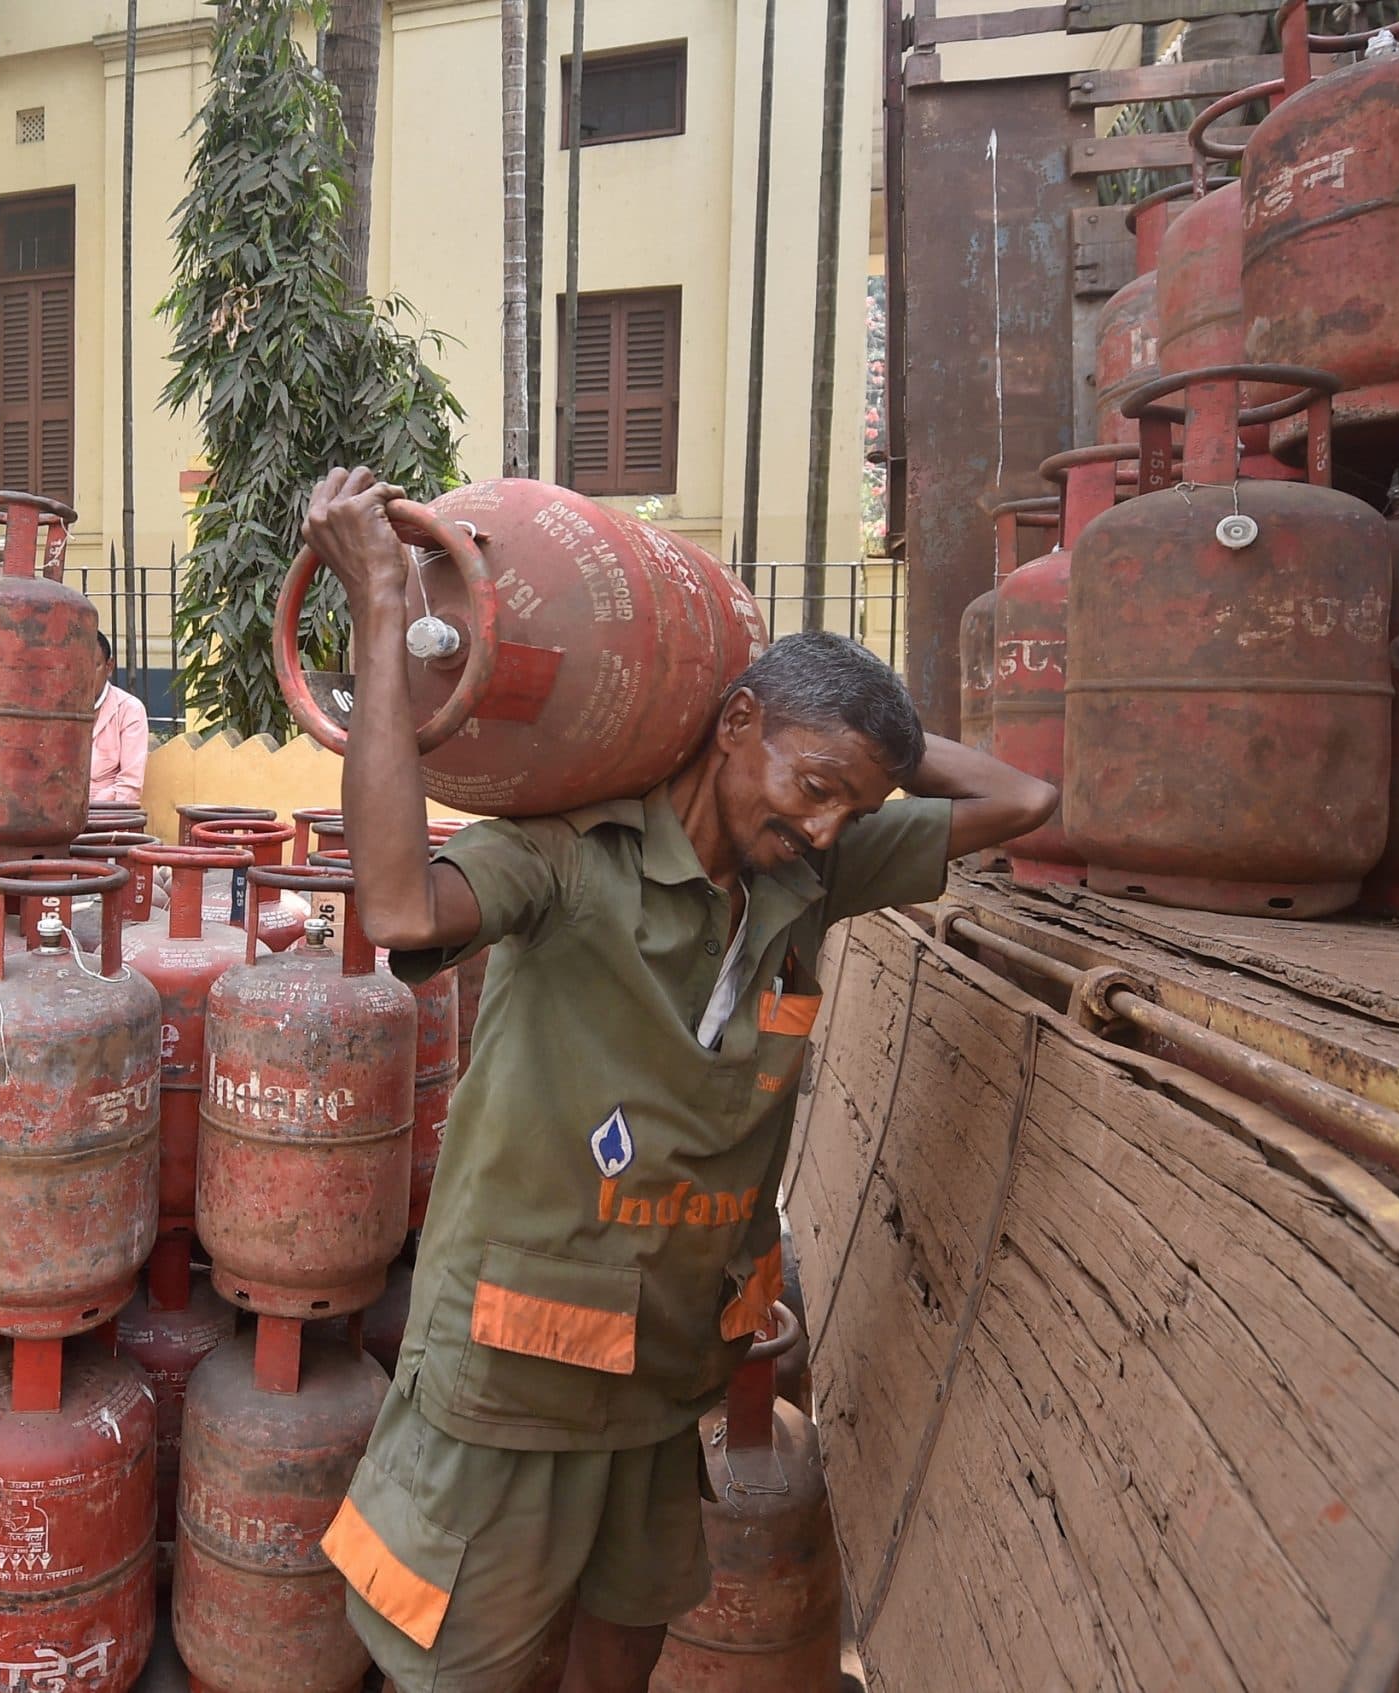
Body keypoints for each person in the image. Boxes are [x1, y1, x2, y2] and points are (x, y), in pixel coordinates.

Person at [299, 466, 1058, 1693]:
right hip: (512, 1377)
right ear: (738, 723)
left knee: (624, 1646)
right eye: (814, 789)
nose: (824, 827)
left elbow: (1024, 797)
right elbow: (394, 901)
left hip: (664, 1374)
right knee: (463, 1668)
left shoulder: (808, 874)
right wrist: (383, 612)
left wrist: (873, 741)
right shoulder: (565, 862)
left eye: (850, 809)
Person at [88, 631, 149, 806]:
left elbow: (130, 787)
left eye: (94, 666)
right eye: (76, 667)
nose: (84, 676)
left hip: (107, 818)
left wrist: (87, 813)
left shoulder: (129, 710)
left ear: (109, 666)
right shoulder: (56, 709)